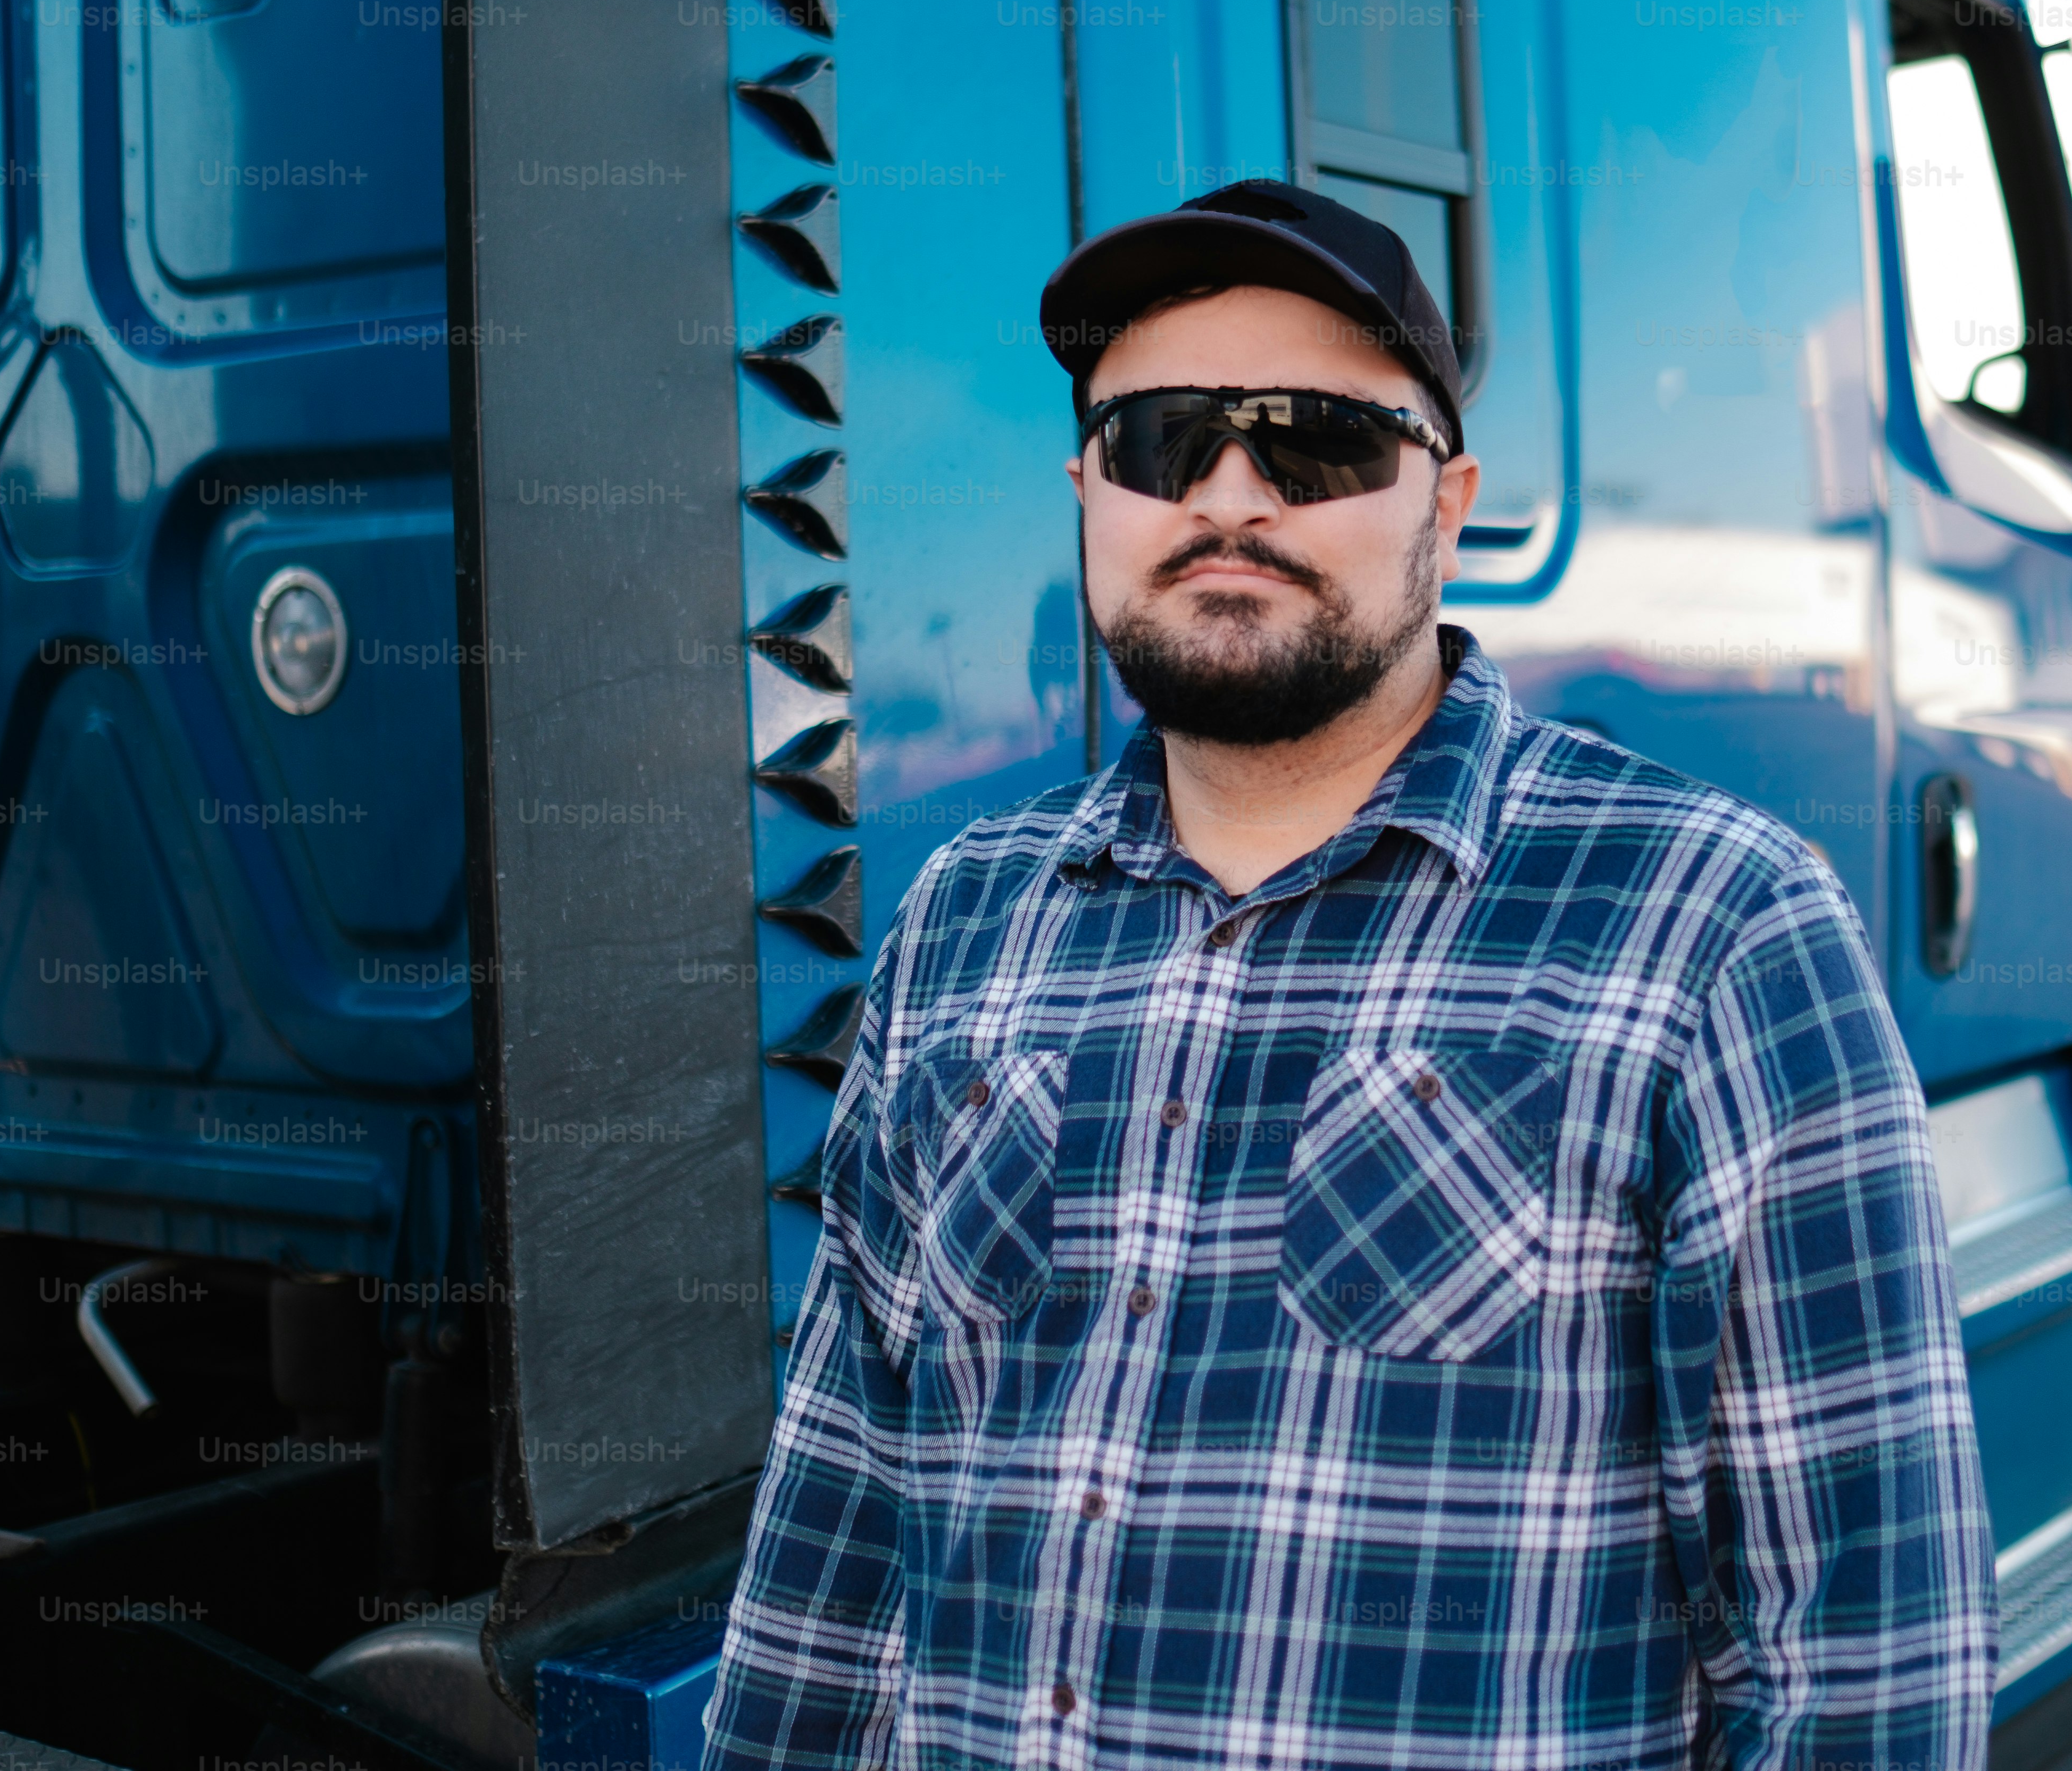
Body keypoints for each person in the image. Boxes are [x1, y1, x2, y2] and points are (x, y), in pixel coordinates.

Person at [700, 180, 1994, 1770]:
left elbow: (1860, 1656)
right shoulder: (965, 924)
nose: (1229, 495)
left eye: (1312, 442)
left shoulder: (1712, 924)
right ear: (1090, 489)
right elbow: (836, 1530)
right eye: (1161, 441)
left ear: (1445, 504)